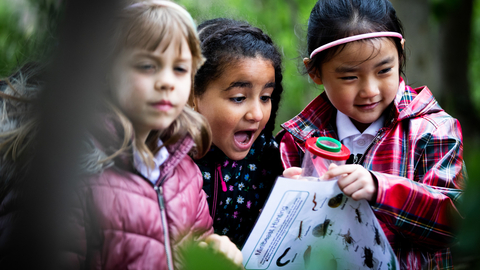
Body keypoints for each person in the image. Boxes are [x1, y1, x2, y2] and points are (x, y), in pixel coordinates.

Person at [0, 1, 243, 269]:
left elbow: (196, 253)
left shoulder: (183, 168)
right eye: (147, 66)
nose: (166, 82)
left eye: (180, 68)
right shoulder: (71, 168)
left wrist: (216, 253)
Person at [277, 0, 466, 269]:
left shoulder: (432, 131)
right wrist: (290, 203)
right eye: (350, 77)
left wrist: (381, 190)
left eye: (384, 70)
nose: (370, 90)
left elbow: (458, 224)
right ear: (315, 72)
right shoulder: (297, 141)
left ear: (399, 53)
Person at [191, 18, 284, 248]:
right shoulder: (169, 163)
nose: (257, 114)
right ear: (193, 96)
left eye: (265, 97)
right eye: (239, 98)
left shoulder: (272, 159)